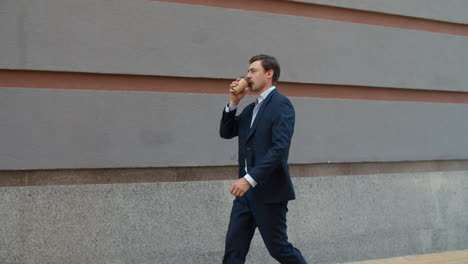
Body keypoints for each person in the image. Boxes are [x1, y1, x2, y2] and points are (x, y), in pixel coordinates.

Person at [220, 54, 307, 264]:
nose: (248, 76)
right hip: (245, 195)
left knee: (279, 249)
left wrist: (249, 179)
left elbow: (279, 150)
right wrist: (233, 102)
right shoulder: (251, 109)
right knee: (234, 249)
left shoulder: (281, 105)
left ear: (269, 74)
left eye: (253, 71)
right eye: (248, 71)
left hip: (269, 193)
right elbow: (226, 131)